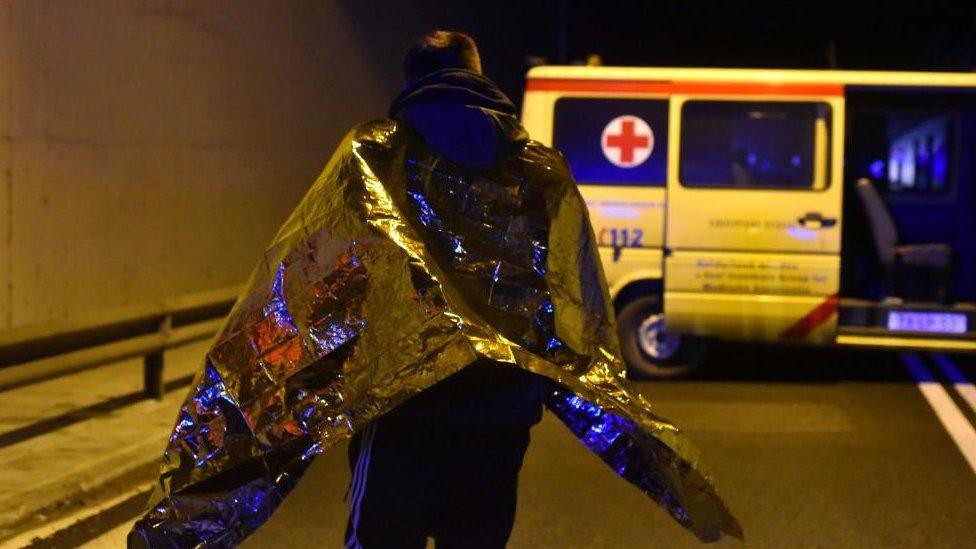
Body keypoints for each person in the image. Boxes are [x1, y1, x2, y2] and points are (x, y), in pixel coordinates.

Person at [343, 30, 550, 549]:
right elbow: (563, 288)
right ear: (479, 74)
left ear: (410, 82)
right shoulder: (537, 170)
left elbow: (341, 273)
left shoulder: (377, 157)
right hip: (498, 412)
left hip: (401, 408)